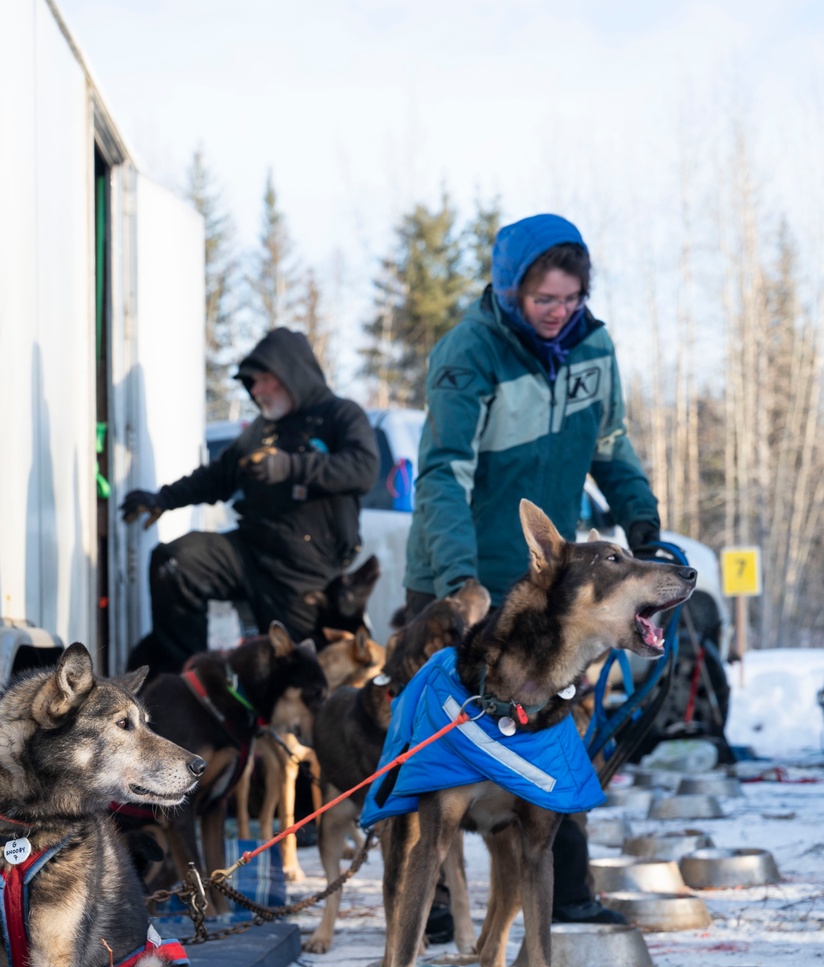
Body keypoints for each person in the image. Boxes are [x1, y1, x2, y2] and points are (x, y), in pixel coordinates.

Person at [405, 213, 662, 925]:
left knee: (552, 720)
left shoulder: (593, 348)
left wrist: (638, 511)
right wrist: (461, 583)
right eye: (544, 299)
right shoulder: (471, 353)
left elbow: (610, 441)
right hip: (459, 571)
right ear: (510, 287)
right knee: (446, 733)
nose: (558, 314)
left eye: (571, 299)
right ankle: (430, 902)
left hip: (544, 575)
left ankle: (569, 890)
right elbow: (442, 476)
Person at [122, 328, 379, 672]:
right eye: (251, 384)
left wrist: (290, 466)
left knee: (302, 672)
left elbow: (364, 468)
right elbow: (219, 476)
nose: (255, 392)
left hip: (304, 572)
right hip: (250, 552)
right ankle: (188, 681)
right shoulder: (263, 430)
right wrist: (162, 498)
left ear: (291, 373)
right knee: (174, 563)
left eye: (262, 380)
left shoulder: (340, 415)